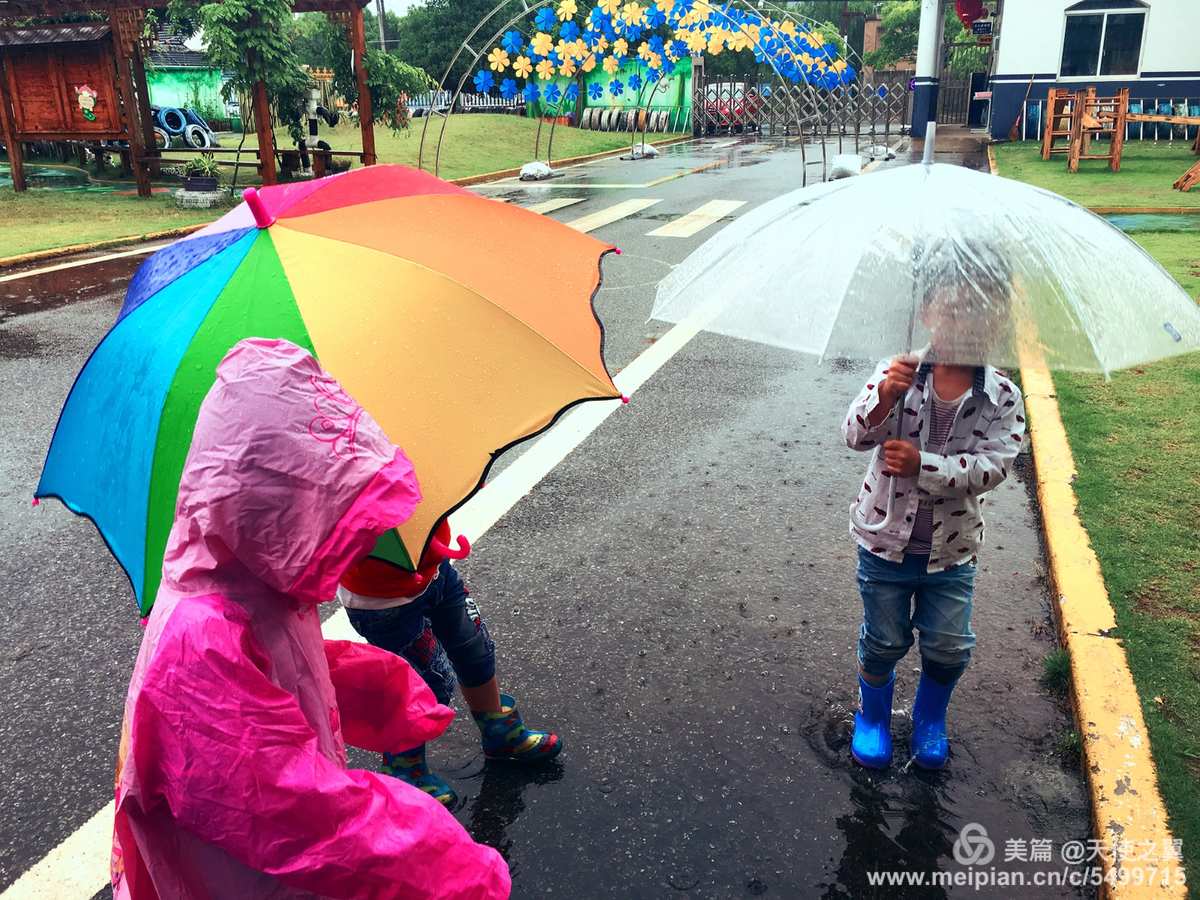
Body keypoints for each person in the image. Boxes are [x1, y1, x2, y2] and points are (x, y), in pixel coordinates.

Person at [111, 338, 510, 899]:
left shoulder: (257, 585)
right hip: (233, 877)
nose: (352, 546)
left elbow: (281, 671)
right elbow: (284, 810)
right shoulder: (200, 634)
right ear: (276, 510)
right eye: (331, 521)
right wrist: (439, 863)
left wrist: (382, 689)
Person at [841, 244, 1026, 770]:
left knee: (949, 646)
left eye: (980, 312)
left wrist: (923, 463)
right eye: (951, 309)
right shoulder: (896, 372)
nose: (965, 322)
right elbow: (854, 435)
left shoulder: (1003, 396)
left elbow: (991, 468)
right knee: (884, 640)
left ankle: (930, 717)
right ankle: (872, 715)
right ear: (927, 313)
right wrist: (882, 399)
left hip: (952, 552)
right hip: (884, 543)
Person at [338, 521, 562, 808]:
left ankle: (499, 732)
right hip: (381, 603)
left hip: (437, 571)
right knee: (422, 684)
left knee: (475, 648)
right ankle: (404, 767)